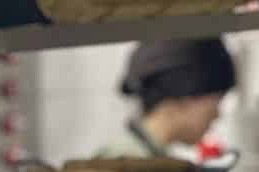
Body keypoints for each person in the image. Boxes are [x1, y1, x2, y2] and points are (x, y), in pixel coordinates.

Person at [98, 37, 236, 159]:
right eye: (216, 102)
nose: (216, 115)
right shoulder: (132, 168)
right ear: (181, 99)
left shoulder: (149, 160)